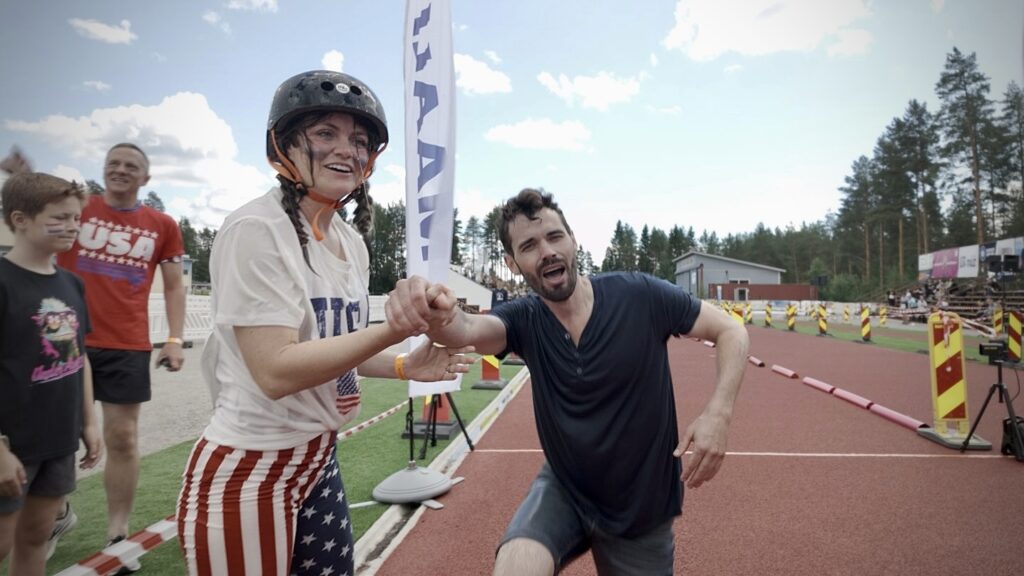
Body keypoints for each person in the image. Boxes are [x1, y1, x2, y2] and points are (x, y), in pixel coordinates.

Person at [175, 70, 473, 576]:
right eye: (325, 134)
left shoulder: (349, 240)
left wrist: (406, 365)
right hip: (253, 469)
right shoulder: (256, 229)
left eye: (359, 140)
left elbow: (336, 349)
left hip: (317, 458)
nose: (347, 150)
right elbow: (276, 371)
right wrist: (394, 327)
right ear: (283, 144)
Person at [386, 188, 750, 575]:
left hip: (641, 505)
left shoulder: (641, 295)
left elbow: (731, 331)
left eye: (554, 237)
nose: (547, 252)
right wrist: (442, 316)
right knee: (515, 566)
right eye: (529, 245)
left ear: (573, 240)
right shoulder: (524, 319)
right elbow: (469, 328)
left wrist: (718, 414)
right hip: (566, 490)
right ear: (512, 263)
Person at [51, 142, 187, 571]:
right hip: (65, 337)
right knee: (54, 436)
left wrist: (174, 338)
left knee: (123, 439)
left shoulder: (162, 224)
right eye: (113, 164)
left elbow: (173, 286)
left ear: (146, 178)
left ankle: (116, 534)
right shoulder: (79, 208)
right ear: (103, 170)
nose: (121, 170)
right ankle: (55, 515)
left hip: (127, 342)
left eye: (132, 166)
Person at [0, 172, 102, 575]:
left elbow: (80, 356)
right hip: (11, 446)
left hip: (57, 441)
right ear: (20, 219)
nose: (73, 226)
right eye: (60, 217)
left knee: (35, 538)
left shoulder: (72, 284)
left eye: (77, 218)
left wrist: (89, 422)